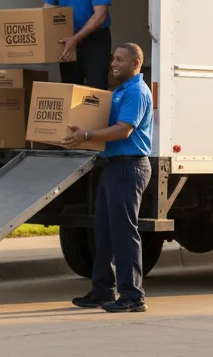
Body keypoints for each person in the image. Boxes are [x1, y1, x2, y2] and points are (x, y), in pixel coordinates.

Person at [62, 43, 154, 313]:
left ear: (136, 64)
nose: (114, 64)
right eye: (113, 58)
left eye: (120, 60)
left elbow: (123, 130)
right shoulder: (119, 91)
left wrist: (87, 136)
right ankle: (103, 290)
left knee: (124, 233)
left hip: (129, 167)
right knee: (104, 231)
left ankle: (133, 296)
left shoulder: (136, 92)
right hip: (112, 166)